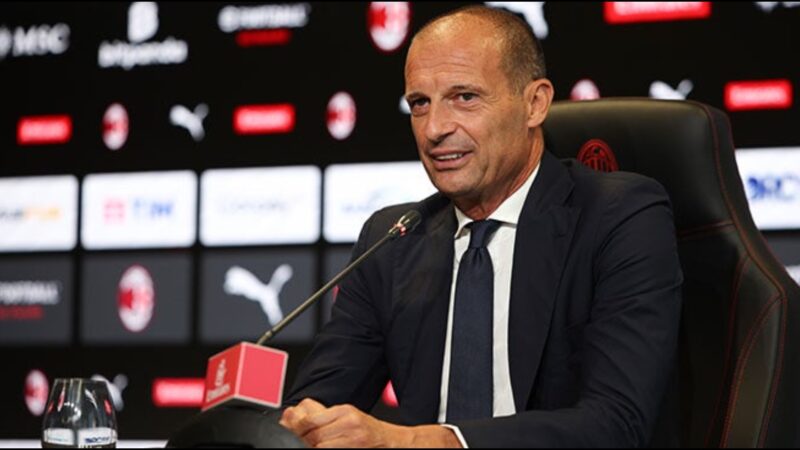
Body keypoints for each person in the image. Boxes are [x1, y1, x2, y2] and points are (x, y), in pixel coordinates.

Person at [280, 5, 682, 448]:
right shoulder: (392, 238)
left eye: (465, 97)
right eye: (419, 104)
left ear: (535, 104)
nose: (434, 129)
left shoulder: (617, 217)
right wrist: (307, 424)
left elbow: (616, 424)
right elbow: (317, 404)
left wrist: (414, 443)